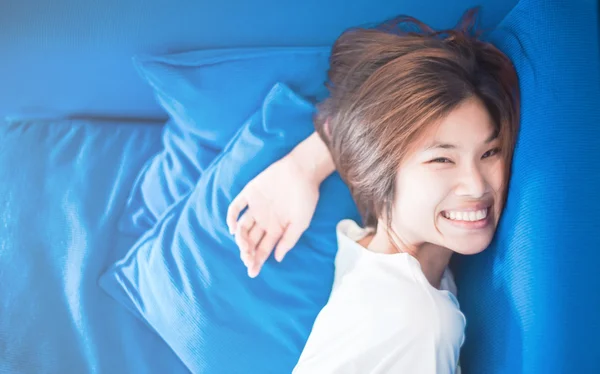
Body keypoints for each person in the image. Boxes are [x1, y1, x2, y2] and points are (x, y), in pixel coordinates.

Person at [226, 8, 519, 373]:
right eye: (442, 161)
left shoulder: (365, 248)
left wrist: (305, 166)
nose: (477, 185)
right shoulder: (421, 320)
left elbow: (361, 131)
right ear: (378, 170)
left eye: (489, 152)